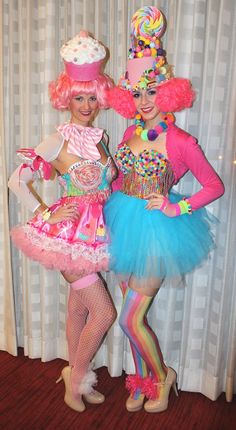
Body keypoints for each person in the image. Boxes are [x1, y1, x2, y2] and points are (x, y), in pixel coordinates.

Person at [105, 6, 224, 413]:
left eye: (151, 91)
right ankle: (138, 381)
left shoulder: (182, 141)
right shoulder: (128, 131)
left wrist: (179, 207)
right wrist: (104, 184)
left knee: (129, 319)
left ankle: (162, 377)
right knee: (129, 315)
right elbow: (120, 180)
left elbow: (214, 186)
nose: (143, 101)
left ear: (167, 91)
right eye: (136, 92)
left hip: (158, 231)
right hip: (123, 223)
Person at [8, 31, 117, 413]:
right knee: (104, 312)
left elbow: (105, 183)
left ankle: (80, 377)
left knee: (79, 309)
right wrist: (47, 211)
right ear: (65, 98)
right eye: (78, 97)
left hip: (95, 236)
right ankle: (75, 378)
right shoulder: (57, 140)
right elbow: (16, 180)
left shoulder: (99, 139)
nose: (86, 105)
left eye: (91, 97)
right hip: (69, 238)